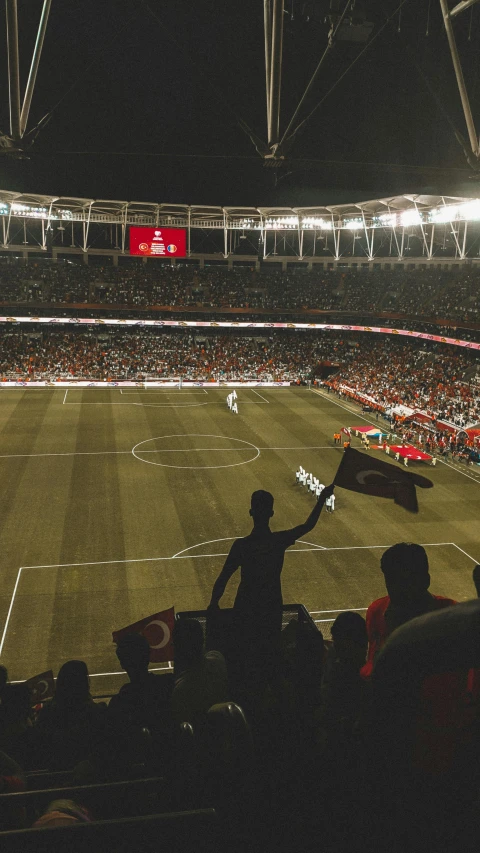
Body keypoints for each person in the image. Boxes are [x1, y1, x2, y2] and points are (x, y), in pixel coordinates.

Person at [208, 484, 334, 681]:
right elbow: (308, 525)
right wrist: (321, 498)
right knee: (269, 658)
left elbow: (223, 578)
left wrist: (213, 605)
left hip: (246, 609)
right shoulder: (278, 541)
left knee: (246, 660)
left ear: (251, 512)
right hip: (271, 609)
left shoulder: (242, 546)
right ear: (272, 513)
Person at [361, 543, 456, 678]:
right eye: (391, 581)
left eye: (406, 581)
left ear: (426, 581)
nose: (397, 590)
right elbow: (372, 667)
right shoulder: (376, 611)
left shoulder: (453, 619)